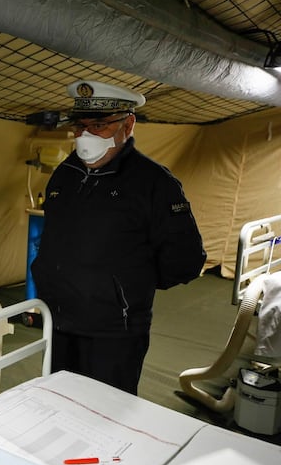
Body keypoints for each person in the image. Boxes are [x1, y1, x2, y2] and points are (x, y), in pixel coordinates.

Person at [31, 80, 206, 395]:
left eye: (99, 125)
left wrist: (126, 287)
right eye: (80, 126)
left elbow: (185, 259)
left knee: (108, 414)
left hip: (114, 331)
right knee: (60, 404)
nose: (85, 135)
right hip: (58, 322)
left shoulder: (153, 183)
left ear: (128, 124)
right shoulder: (65, 175)